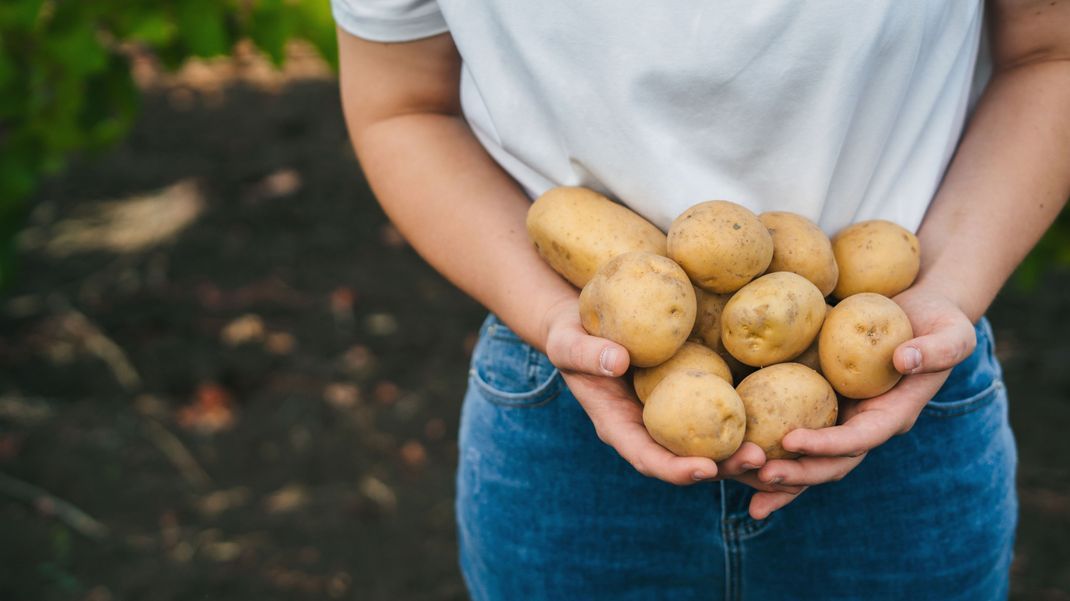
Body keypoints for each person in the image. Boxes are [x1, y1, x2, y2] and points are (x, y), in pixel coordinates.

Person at [331, 1, 1070, 599]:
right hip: (566, 391)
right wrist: (553, 315)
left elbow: (1052, 52)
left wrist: (948, 291)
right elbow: (402, 104)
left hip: (900, 385)